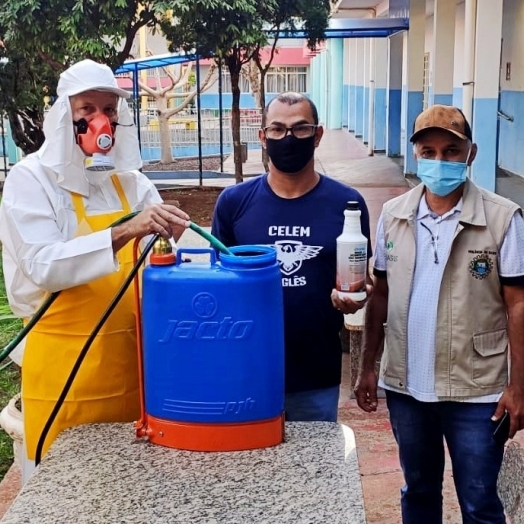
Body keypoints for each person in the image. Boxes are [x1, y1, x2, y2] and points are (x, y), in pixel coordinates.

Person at [0, 59, 190, 476]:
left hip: (131, 366)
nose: (100, 121)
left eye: (109, 109)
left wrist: (169, 238)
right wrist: (123, 232)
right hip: (64, 368)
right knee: (63, 488)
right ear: (64, 115)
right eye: (87, 110)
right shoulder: (31, 180)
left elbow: (160, 264)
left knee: (129, 486)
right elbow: (42, 265)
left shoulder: (132, 182)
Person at [355, 104, 524, 523]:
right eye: (428, 151)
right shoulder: (394, 215)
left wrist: (519, 387)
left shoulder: (502, 218)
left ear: (471, 153)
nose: (439, 161)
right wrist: (368, 367)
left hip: (477, 391)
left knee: (481, 502)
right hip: (407, 386)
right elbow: (381, 295)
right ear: (416, 154)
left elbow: (518, 304)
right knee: (418, 492)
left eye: (451, 151)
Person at [211, 92, 372, 422]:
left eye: (300, 129)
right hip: (246, 371)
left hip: (316, 376)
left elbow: (358, 279)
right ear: (262, 137)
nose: (288, 138)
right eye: (277, 129)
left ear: (318, 135)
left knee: (312, 471)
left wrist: (355, 297)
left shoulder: (348, 205)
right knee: (247, 469)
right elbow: (218, 287)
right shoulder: (233, 203)